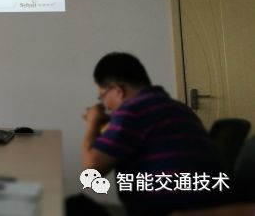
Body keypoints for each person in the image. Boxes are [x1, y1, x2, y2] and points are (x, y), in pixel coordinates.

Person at [71, 52, 227, 216]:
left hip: (168, 209)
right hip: (207, 204)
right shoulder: (179, 108)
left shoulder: (132, 110)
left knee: (74, 207)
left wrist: (92, 122)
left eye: (102, 97)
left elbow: (92, 169)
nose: (106, 106)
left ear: (118, 91)